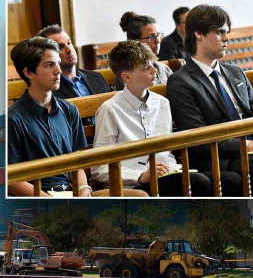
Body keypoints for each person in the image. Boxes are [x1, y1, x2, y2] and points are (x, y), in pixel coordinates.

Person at [167, 4, 253, 196]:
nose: (227, 38)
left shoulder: (235, 72)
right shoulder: (180, 82)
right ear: (199, 34)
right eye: (220, 32)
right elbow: (200, 138)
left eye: (227, 32)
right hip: (225, 157)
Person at [8, 37, 146, 197]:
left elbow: (77, 161)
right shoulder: (14, 119)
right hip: (43, 198)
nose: (58, 71)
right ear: (28, 72)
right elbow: (12, 180)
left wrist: (84, 189)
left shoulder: (69, 110)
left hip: (74, 192)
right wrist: (49, 199)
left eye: (58, 63)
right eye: (49, 65)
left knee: (140, 197)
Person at [91, 40, 213, 196]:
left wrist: (170, 167)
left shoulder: (162, 103)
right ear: (126, 76)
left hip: (164, 177)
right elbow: (98, 168)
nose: (154, 70)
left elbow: (166, 153)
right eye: (146, 68)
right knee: (198, 182)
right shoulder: (110, 109)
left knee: (226, 180)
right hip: (132, 186)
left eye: (153, 64)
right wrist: (140, 176)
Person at [37, 25, 111, 99]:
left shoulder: (96, 77)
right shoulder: (47, 89)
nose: (69, 50)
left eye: (69, 43)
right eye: (60, 47)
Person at [115, 12, 173, 90]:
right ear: (136, 41)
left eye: (158, 35)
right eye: (151, 37)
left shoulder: (165, 70)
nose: (158, 41)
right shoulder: (128, 75)